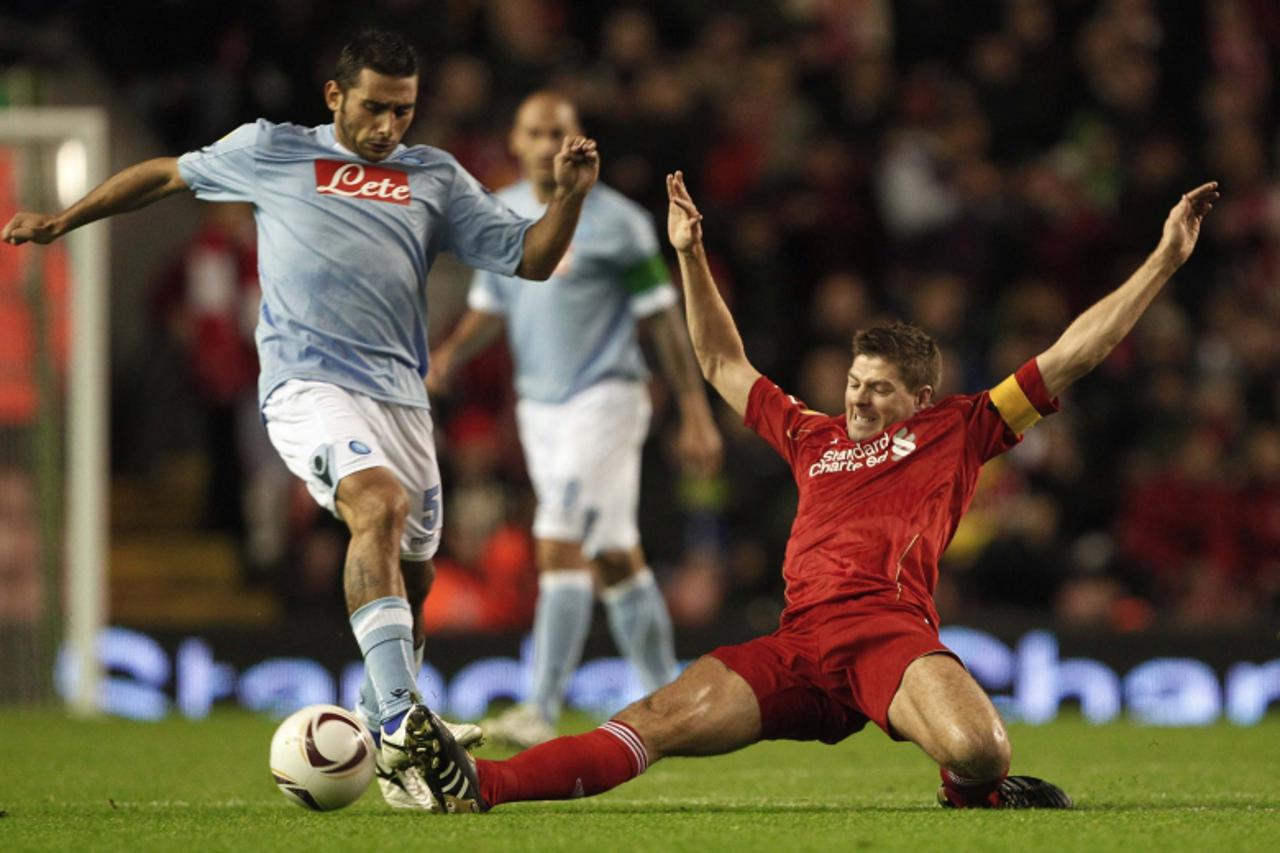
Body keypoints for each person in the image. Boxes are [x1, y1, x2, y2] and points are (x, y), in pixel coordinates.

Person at [415, 172, 1218, 813]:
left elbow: (1076, 352)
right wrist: (690, 255)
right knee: (657, 718)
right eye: (855, 381)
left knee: (983, 751)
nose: (859, 398)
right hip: (797, 648)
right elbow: (722, 364)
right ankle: (483, 786)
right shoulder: (811, 433)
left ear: (920, 396)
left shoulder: (964, 428)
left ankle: (968, 792)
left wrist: (1163, 260)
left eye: (879, 388)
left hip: (887, 637)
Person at [1, 29, 600, 812]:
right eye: (376, 109)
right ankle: (397, 719)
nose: (390, 128)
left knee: (415, 570)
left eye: (404, 112)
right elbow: (165, 174)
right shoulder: (273, 151)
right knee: (376, 505)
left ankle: (393, 747)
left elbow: (531, 258)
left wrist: (571, 196)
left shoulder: (435, 176)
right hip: (307, 383)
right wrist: (62, 221)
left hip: (401, 396)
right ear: (334, 96)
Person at [427, 92, 722, 748]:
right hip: (539, 408)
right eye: (533, 130)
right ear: (514, 139)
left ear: (578, 139)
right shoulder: (500, 212)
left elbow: (662, 320)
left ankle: (538, 703)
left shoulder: (617, 222)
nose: (544, 141)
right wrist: (449, 351)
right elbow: (490, 305)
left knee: (556, 537)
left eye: (556, 130)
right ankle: (668, 697)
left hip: (608, 397)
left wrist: (696, 409)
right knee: (615, 553)